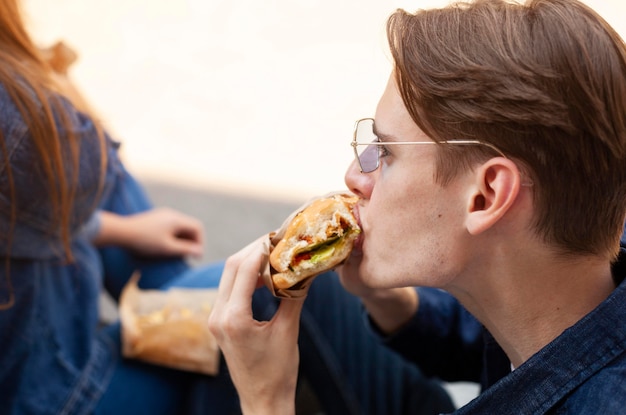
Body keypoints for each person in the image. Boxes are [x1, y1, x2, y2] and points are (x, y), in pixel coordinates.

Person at [208, 0, 626, 414]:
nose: (355, 175)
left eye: (386, 152)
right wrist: (392, 301)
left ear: (487, 196)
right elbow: (473, 337)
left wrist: (266, 399)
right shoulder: (562, 288)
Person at [0, 1, 244, 413]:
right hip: (58, 395)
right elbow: (62, 179)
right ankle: (191, 350)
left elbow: (22, 212)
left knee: (217, 319)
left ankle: (180, 334)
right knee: (253, 297)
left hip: (39, 319)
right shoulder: (23, 117)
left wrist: (124, 231)